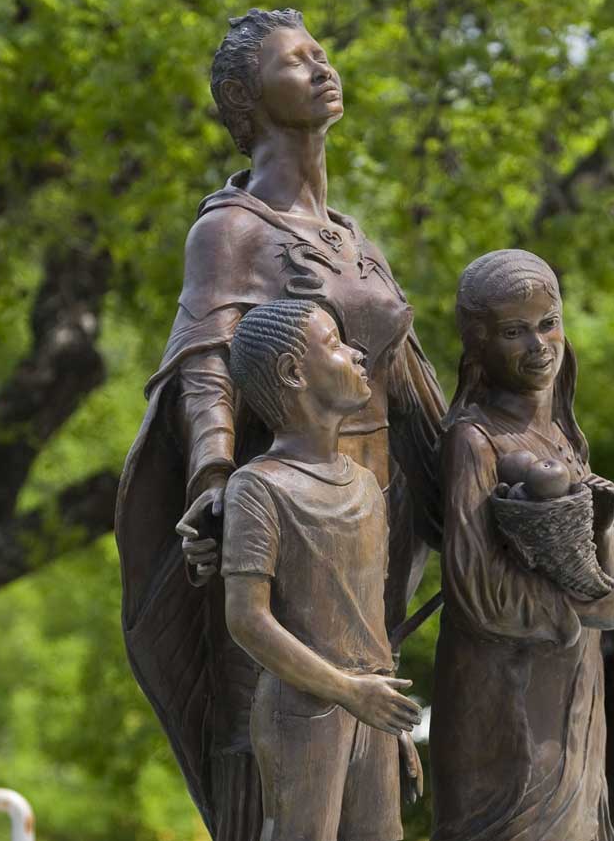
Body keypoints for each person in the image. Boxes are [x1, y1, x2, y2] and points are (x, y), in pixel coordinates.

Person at [115, 8, 441, 839]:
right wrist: (215, 481)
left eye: (322, 55)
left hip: (374, 508)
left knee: (366, 745)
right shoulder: (230, 229)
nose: (321, 69)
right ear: (243, 97)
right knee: (282, 742)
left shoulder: (351, 236)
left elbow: (411, 378)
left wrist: (477, 465)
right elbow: (204, 363)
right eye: (295, 63)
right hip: (288, 506)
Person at [429, 250, 614, 841]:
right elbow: (476, 591)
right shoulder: (474, 441)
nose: (539, 345)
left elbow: (594, 576)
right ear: (478, 345)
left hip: (572, 688)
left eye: (548, 322)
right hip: (506, 702)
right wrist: (580, 610)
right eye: (514, 331)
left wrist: (604, 531)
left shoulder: (562, 433)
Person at [221, 299, 420, 841]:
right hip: (302, 710)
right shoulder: (259, 487)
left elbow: (370, 618)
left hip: (372, 710)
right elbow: (246, 620)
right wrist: (345, 689)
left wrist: (388, 712)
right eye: (334, 343)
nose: (358, 355)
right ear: (293, 372)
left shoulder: (366, 487)